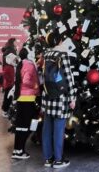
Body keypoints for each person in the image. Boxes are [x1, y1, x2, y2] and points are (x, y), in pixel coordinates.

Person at [42, 33, 76, 169]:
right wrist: (73, 97)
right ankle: (58, 160)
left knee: (47, 129)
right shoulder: (63, 54)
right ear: (60, 41)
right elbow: (68, 77)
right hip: (61, 98)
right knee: (58, 129)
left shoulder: (46, 55)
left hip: (48, 96)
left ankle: (47, 159)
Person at [12, 48, 40, 160]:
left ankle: (17, 150)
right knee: (27, 125)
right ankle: (20, 150)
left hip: (20, 98)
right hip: (29, 98)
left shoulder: (21, 64)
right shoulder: (29, 65)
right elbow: (26, 80)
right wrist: (35, 86)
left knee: (20, 126)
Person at [2, 52, 17, 117]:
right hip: (9, 85)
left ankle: (7, 110)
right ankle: (5, 111)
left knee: (9, 99)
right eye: (13, 59)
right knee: (7, 99)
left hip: (11, 85)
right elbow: (6, 76)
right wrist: (11, 82)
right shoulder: (8, 67)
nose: (14, 61)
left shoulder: (12, 66)